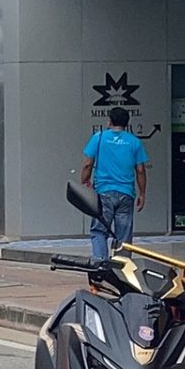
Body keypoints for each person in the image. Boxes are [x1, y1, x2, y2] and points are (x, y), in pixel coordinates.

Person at [79, 108, 148, 262]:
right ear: (127, 123)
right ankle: (121, 271)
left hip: (104, 193)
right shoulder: (134, 142)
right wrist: (142, 194)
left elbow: (88, 164)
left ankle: (100, 266)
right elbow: (140, 170)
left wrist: (85, 181)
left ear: (109, 121)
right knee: (123, 235)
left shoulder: (99, 138)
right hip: (126, 194)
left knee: (99, 231)